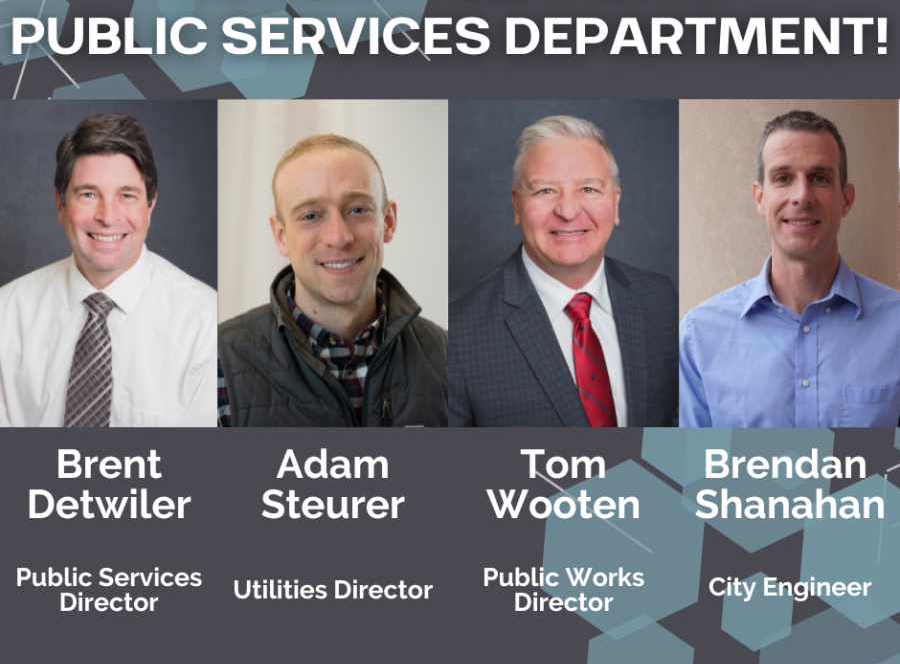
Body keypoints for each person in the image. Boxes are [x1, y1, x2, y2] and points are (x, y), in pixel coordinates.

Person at [449, 115, 678, 427]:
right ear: (517, 205)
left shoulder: (661, 297)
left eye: (588, 188)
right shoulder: (456, 331)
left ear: (616, 202)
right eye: (545, 191)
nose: (568, 211)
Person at [680, 110, 900, 428]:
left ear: (846, 199)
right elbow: (693, 472)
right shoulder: (699, 336)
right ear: (760, 198)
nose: (802, 196)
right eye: (783, 178)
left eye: (820, 178)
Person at [0, 113, 217, 427]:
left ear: (150, 205)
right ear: (60, 206)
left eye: (126, 195)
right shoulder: (7, 313)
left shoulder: (205, 324)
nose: (107, 216)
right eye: (88, 194)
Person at [217, 134, 447, 427]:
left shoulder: (450, 355)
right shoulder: (218, 363)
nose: (339, 237)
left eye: (358, 210)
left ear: (388, 222)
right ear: (281, 236)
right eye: (311, 215)